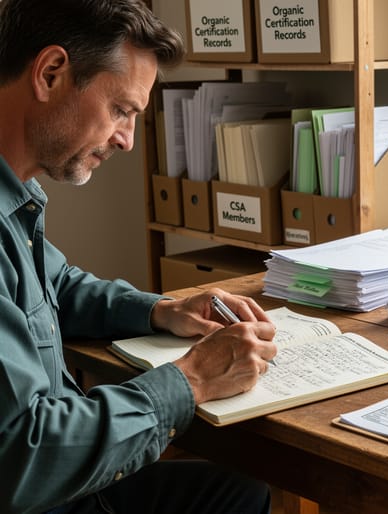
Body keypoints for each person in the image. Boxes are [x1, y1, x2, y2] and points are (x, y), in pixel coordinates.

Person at [0, 1, 279, 512]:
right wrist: (191, 380)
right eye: (121, 110)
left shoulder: (14, 195)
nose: (127, 140)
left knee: (239, 494)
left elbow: (55, 284)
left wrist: (161, 309)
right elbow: (24, 454)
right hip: (39, 489)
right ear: (51, 73)